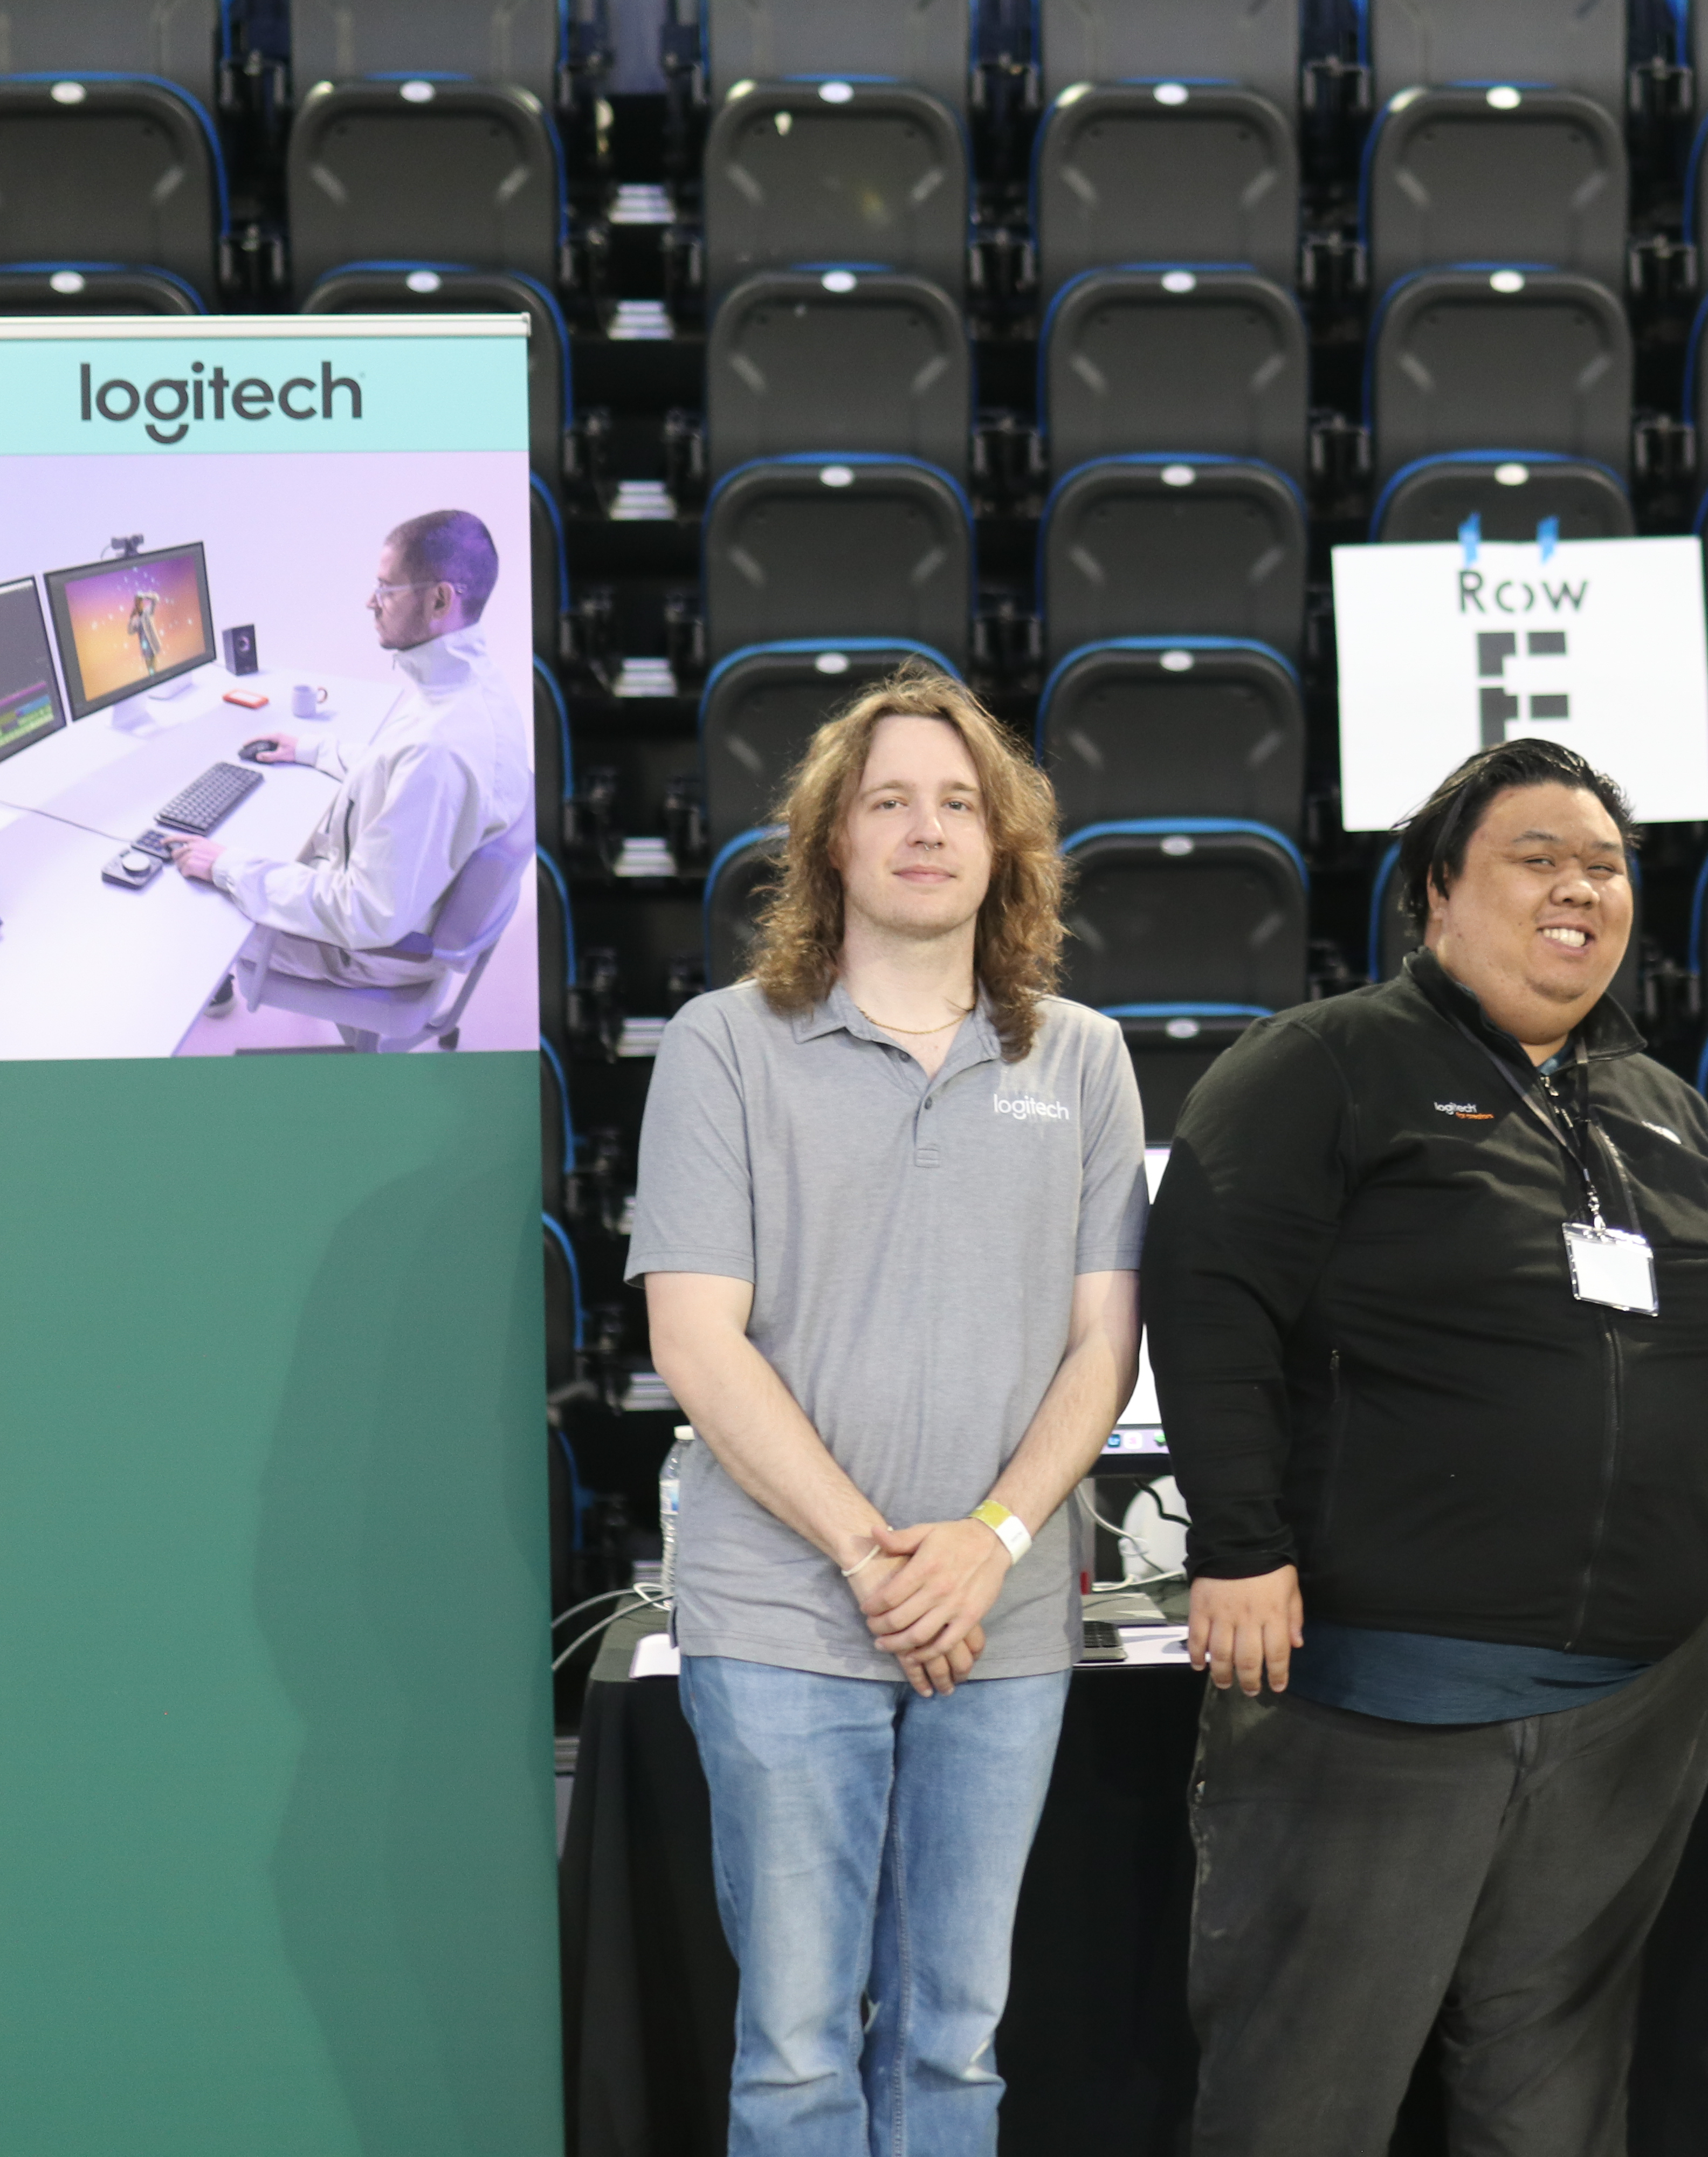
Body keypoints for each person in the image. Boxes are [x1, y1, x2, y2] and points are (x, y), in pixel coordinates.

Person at [1146, 738, 1708, 2156]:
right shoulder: (1326, 1063)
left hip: (1634, 1711)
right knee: (1298, 2101)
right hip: (1380, 1702)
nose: (1582, 886)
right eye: (1536, 858)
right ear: (1438, 893)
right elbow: (1207, 1293)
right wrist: (1239, 1544)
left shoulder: (1661, 1106)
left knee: (1551, 2103)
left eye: (1607, 866)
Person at [624, 669, 1147, 2155]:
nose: (928, 829)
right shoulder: (726, 1044)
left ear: (1003, 847)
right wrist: (872, 1558)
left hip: (1007, 1616)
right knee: (795, 2050)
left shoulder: (1084, 1058)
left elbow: (1104, 1347)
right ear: (833, 847)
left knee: (956, 2041)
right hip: (787, 1613)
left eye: (960, 804)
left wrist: (984, 1544)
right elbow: (696, 1339)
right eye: (890, 803)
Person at [172, 510, 534, 1000]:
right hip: (403, 904)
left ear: (440, 599)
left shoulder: (439, 749)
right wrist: (312, 749)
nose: (371, 602)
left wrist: (228, 867)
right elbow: (397, 769)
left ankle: (212, 989)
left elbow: (361, 913)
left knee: (183, 902)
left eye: (386, 589)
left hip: (372, 951)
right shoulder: (471, 688)